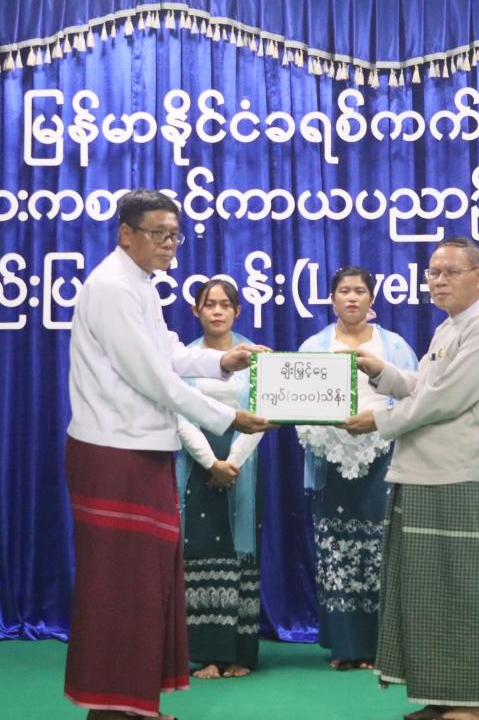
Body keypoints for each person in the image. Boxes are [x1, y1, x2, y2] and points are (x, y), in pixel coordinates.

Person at [62, 189, 270, 720]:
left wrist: (225, 362)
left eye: (175, 235)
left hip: (141, 449)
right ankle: (113, 708)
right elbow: (154, 379)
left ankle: (134, 705)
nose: (169, 244)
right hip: (114, 450)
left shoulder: (139, 285)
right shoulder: (112, 287)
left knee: (146, 585)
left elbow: (170, 355)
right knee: (120, 587)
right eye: (158, 233)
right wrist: (228, 416)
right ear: (125, 233)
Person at [342, 238, 479, 720]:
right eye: (433, 273)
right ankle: (441, 699)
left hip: (457, 477)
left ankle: (472, 707)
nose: (438, 281)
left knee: (459, 594)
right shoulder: (450, 326)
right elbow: (427, 387)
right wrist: (383, 374)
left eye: (450, 272)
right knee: (427, 595)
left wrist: (377, 421)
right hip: (425, 475)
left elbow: (444, 401)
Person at [295, 265, 420, 671]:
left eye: (359, 291)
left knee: (381, 550)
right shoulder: (313, 348)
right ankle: (345, 647)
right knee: (335, 551)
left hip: (382, 455)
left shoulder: (394, 345)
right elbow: (296, 402)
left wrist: (376, 426)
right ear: (332, 299)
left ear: (371, 298)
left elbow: (415, 399)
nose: (351, 298)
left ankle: (384, 647)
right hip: (330, 456)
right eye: (344, 291)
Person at [175, 278, 264, 680]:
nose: (216, 311)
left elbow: (263, 414)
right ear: (196, 311)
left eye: (225, 304)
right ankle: (208, 654)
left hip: (242, 465)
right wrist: (211, 462)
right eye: (208, 304)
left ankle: (240, 654)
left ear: (237, 311)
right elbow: (179, 414)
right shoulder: (184, 359)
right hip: (197, 466)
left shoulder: (254, 356)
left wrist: (232, 463)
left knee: (239, 552)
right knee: (200, 552)